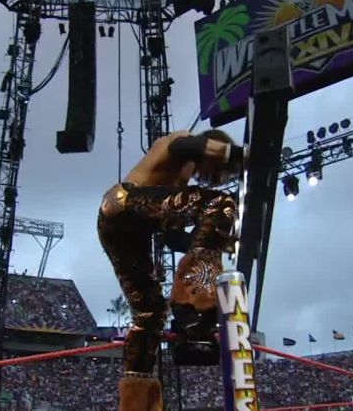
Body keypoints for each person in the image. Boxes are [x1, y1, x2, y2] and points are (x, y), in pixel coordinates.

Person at [97, 129, 244, 411]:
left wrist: (215, 237)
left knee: (150, 314)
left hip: (117, 226)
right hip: (125, 201)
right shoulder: (181, 142)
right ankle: (193, 310)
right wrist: (243, 155)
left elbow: (177, 238)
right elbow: (184, 146)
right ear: (213, 150)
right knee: (221, 203)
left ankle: (135, 402)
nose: (210, 179)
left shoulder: (176, 188)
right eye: (217, 173)